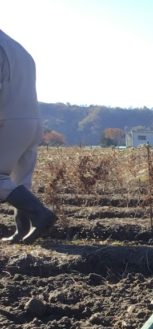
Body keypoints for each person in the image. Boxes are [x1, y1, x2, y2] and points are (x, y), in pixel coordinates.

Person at [0, 29, 56, 243]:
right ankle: (21, 231)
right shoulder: (18, 48)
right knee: (20, 180)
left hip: (8, 119)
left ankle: (41, 215)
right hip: (32, 120)